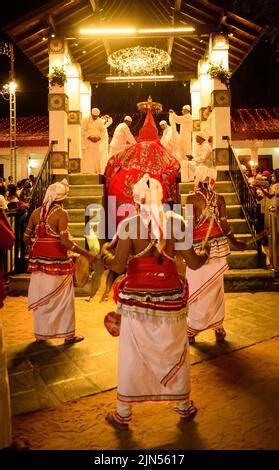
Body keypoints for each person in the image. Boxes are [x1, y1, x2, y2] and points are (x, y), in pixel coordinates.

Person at [102, 174, 210, 429]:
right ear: (161, 196)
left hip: (136, 301)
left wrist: (106, 254)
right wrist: (204, 253)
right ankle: (183, 405)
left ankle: (123, 412)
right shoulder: (177, 222)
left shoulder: (129, 225)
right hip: (170, 299)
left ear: (136, 200)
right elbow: (194, 262)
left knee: (132, 355)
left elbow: (117, 266)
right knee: (174, 349)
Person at [24, 179, 96, 344]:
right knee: (63, 300)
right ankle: (68, 335)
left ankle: (41, 335)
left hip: (38, 263)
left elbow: (26, 238)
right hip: (59, 263)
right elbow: (64, 242)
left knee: (43, 298)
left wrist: (38, 245)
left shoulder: (36, 213)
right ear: (62, 198)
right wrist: (85, 253)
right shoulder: (61, 214)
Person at [185, 166, 246, 344]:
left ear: (198, 178)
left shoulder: (191, 198)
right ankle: (218, 327)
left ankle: (192, 331)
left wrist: (183, 251)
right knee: (216, 288)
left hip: (198, 248)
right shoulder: (219, 198)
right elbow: (225, 226)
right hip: (218, 246)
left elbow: (189, 228)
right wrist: (236, 242)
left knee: (197, 289)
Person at [105, 110, 180, 226]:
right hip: (153, 184)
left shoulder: (135, 147)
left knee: (117, 185)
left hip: (128, 183)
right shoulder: (157, 147)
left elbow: (113, 160)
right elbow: (174, 164)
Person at [81, 107, 106, 174]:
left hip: (96, 143)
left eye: (96, 116)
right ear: (91, 114)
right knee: (88, 157)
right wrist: (90, 138)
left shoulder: (100, 121)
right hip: (88, 142)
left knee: (96, 157)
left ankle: (96, 171)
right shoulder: (86, 119)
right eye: (94, 116)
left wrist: (99, 138)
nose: (95, 117)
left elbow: (103, 131)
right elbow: (83, 130)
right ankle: (87, 172)